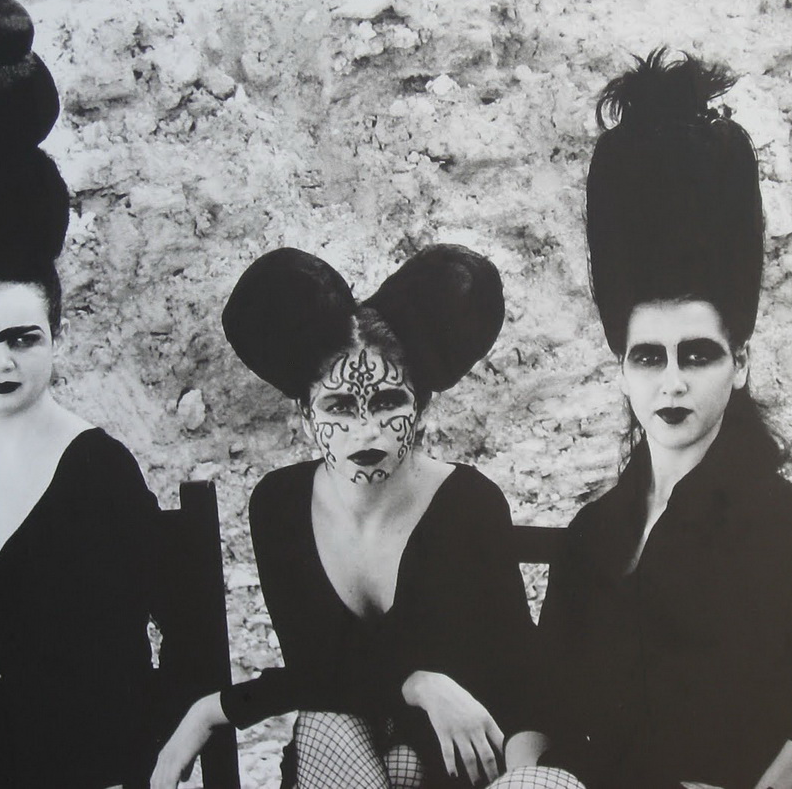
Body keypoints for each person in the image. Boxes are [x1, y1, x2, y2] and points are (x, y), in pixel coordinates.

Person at [497, 51, 792, 789]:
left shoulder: (788, 528)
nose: (672, 382)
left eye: (697, 355)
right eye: (648, 358)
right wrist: (527, 775)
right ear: (622, 369)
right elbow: (539, 701)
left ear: (740, 362)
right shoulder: (593, 534)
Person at [0, 0, 177, 788]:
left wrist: (169, 753)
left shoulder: (98, 467)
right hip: (5, 748)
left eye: (22, 338)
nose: (0, 362)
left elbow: (187, 631)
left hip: (106, 754)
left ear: (56, 338)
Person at [152, 245, 534, 789]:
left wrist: (219, 709)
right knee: (327, 725)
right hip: (338, 755)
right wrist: (418, 684)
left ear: (421, 407)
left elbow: (519, 679)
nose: (366, 430)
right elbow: (319, 677)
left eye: (388, 402)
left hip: (454, 765)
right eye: (339, 407)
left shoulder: (468, 504)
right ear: (305, 414)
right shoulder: (280, 506)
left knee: (396, 759)